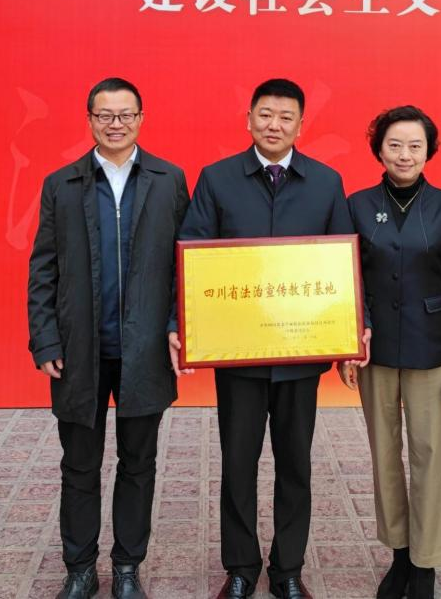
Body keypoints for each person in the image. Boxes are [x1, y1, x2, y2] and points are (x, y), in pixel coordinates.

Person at [171, 78, 358, 599]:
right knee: (238, 461)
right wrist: (179, 324)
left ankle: (288, 570)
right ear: (249, 119)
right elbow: (190, 254)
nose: (274, 125)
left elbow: (346, 263)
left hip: (301, 352)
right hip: (240, 354)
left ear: (301, 125)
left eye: (285, 117)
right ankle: (240, 568)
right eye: (265, 115)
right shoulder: (218, 179)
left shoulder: (325, 182)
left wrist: (353, 334)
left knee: (295, 463)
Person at [28, 77, 190, 599]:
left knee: (138, 463)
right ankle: (79, 568)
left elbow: (185, 266)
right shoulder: (62, 184)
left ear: (141, 118)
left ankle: (126, 566)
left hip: (145, 351)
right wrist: (45, 340)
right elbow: (44, 268)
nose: (115, 124)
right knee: (79, 464)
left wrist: (179, 328)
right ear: (90, 120)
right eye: (105, 115)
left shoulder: (168, 180)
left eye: (125, 115)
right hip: (80, 350)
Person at [339, 105, 441, 599]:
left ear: (428, 151)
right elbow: (346, 280)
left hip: (431, 349)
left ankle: (425, 563)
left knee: (428, 454)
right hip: (373, 351)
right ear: (379, 149)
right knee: (384, 454)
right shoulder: (357, 205)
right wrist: (346, 345)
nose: (404, 154)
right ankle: (398, 554)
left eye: (415, 146)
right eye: (394, 145)